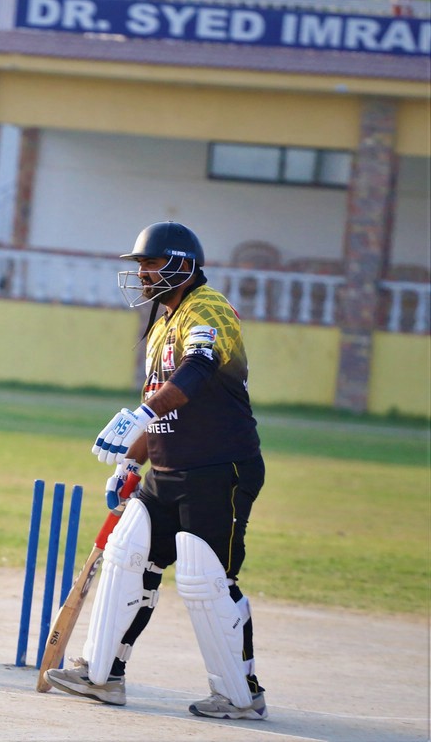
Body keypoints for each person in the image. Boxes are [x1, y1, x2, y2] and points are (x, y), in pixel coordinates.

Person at [44, 221, 268, 721]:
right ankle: (101, 676)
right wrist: (132, 460)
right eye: (141, 264)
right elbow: (160, 402)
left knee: (206, 578)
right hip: (165, 470)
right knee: (126, 557)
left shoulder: (209, 308)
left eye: (151, 263)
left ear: (183, 265)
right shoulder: (161, 323)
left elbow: (198, 369)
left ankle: (241, 694)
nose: (143, 273)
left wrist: (142, 414)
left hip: (218, 466)